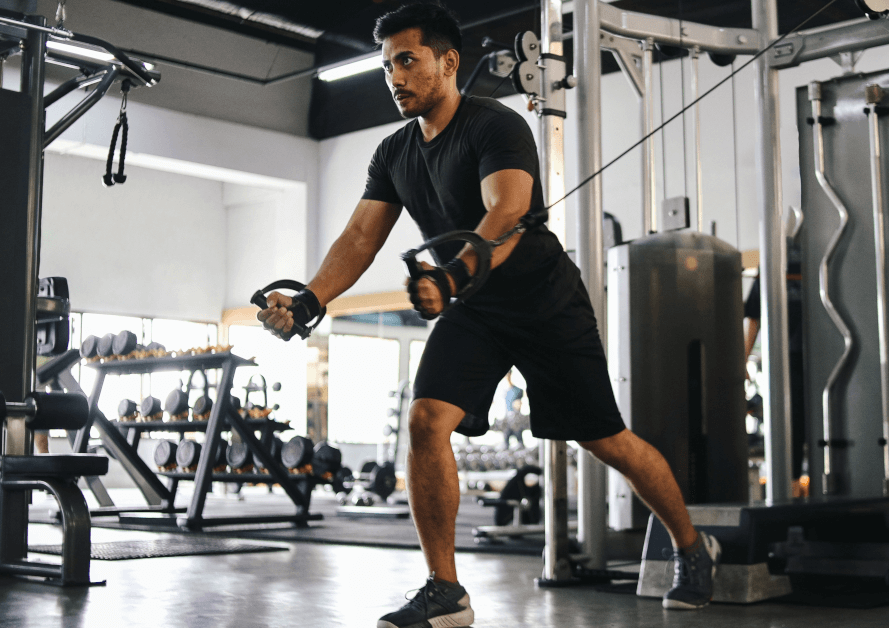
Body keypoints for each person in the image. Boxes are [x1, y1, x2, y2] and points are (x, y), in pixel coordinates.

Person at [257, 4, 719, 626]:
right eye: (386, 64)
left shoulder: (493, 126)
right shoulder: (394, 152)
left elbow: (505, 213)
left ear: (448, 62)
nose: (394, 76)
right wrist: (311, 299)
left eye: (407, 60)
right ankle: (446, 589)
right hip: (474, 307)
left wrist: (448, 278)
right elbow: (360, 238)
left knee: (606, 440)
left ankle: (692, 547)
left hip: (543, 301)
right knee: (425, 419)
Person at [744, 241, 807, 494]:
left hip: (817, 353)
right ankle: (790, 484)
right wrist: (743, 359)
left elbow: (753, 317)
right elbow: (754, 315)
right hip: (785, 355)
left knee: (802, 421)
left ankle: (796, 482)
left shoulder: (817, 255)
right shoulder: (772, 260)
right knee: (790, 422)